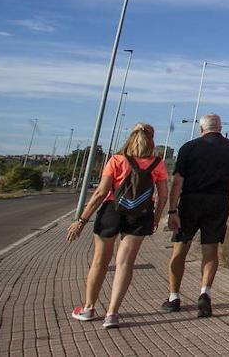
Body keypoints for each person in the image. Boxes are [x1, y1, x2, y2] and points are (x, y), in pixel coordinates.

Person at [66, 123, 169, 329]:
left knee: (100, 262)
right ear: (152, 140)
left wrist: (81, 220)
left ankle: (89, 308)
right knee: (125, 264)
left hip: (111, 211)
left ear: (130, 137)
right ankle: (112, 313)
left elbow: (100, 193)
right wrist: (155, 219)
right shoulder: (157, 163)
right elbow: (163, 195)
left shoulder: (116, 160)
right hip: (140, 215)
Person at [162, 113, 229, 318]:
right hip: (217, 202)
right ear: (220, 127)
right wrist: (224, 196)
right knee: (210, 250)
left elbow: (178, 180)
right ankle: (205, 294)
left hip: (190, 202)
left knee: (180, 248)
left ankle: (174, 297)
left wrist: (172, 210)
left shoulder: (189, 148)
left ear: (201, 129)